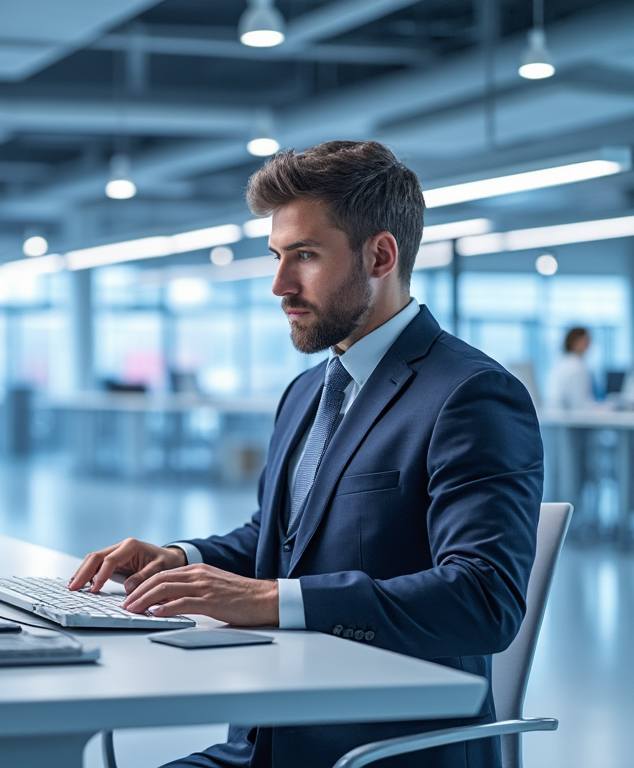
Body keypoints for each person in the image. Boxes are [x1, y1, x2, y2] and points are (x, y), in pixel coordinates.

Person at [69, 140, 543, 768]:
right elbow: (281, 535)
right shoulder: (305, 392)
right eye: (276, 256)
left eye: (306, 256)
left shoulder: (470, 393)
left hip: (375, 751)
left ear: (380, 255)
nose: (278, 284)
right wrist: (182, 559)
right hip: (266, 739)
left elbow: (484, 598)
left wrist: (272, 600)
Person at [545, 326, 595, 410]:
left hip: (556, 416)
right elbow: (580, 404)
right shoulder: (577, 367)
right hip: (569, 419)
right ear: (576, 342)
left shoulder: (563, 362)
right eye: (586, 342)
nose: (589, 346)